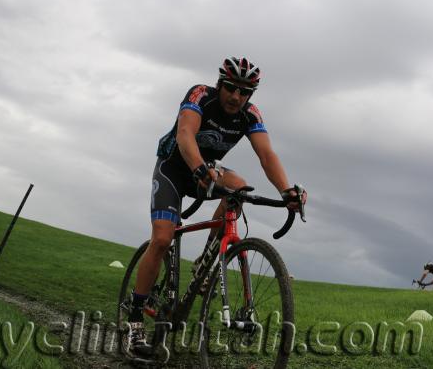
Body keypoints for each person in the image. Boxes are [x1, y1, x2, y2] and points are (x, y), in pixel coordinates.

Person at [123, 56, 307, 354]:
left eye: (244, 91)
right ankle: (134, 320)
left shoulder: (251, 114)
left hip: (204, 171)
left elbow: (266, 155)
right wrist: (198, 169)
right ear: (220, 84)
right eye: (231, 88)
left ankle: (206, 262)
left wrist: (287, 191)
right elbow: (185, 135)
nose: (236, 96)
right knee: (161, 239)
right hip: (175, 169)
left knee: (239, 187)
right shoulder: (200, 95)